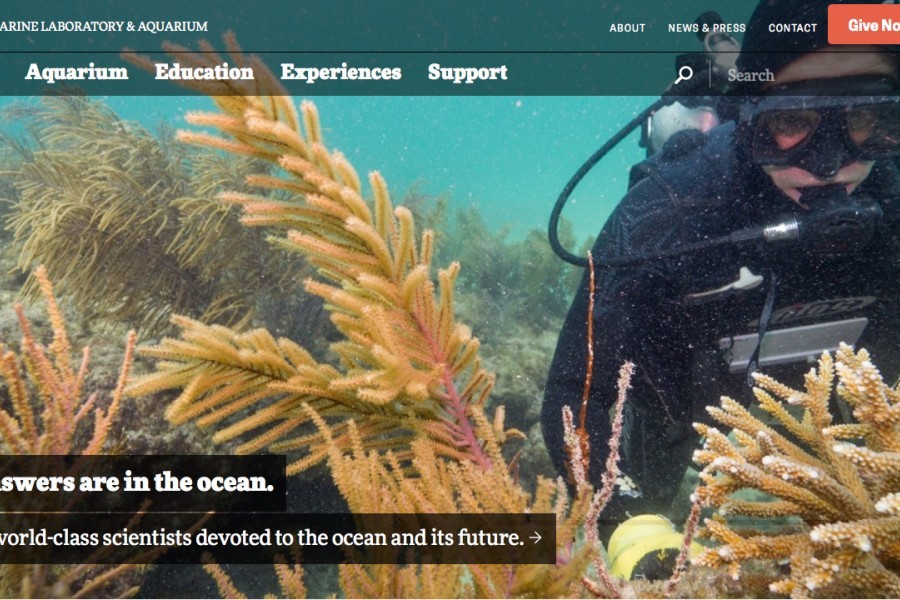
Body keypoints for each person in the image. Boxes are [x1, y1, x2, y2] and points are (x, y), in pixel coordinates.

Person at [541, 0, 900, 550]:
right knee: (653, 435)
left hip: (853, 398)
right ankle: (724, 72)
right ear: (754, 121)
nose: (829, 164)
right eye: (791, 121)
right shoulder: (670, 211)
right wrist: (631, 531)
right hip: (690, 383)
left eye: (867, 117)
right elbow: (575, 389)